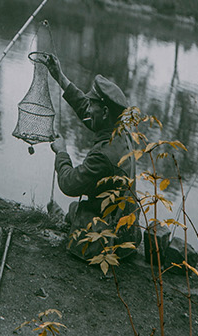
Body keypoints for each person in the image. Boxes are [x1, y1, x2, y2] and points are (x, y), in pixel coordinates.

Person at [37, 54, 140, 261]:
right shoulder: (119, 130)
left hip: (110, 239)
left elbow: (69, 184)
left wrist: (62, 152)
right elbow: (86, 109)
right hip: (129, 230)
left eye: (92, 104)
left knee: (75, 211)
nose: (88, 108)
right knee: (75, 210)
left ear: (103, 111)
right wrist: (60, 77)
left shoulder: (103, 156)